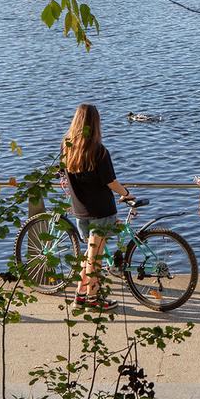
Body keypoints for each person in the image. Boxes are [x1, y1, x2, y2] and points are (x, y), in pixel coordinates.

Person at [62, 103, 134, 310]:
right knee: (96, 257)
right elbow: (111, 182)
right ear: (95, 124)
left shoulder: (66, 146)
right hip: (101, 211)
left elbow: (63, 174)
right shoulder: (99, 151)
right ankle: (94, 299)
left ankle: (80, 295)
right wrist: (127, 194)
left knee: (89, 255)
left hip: (80, 211)